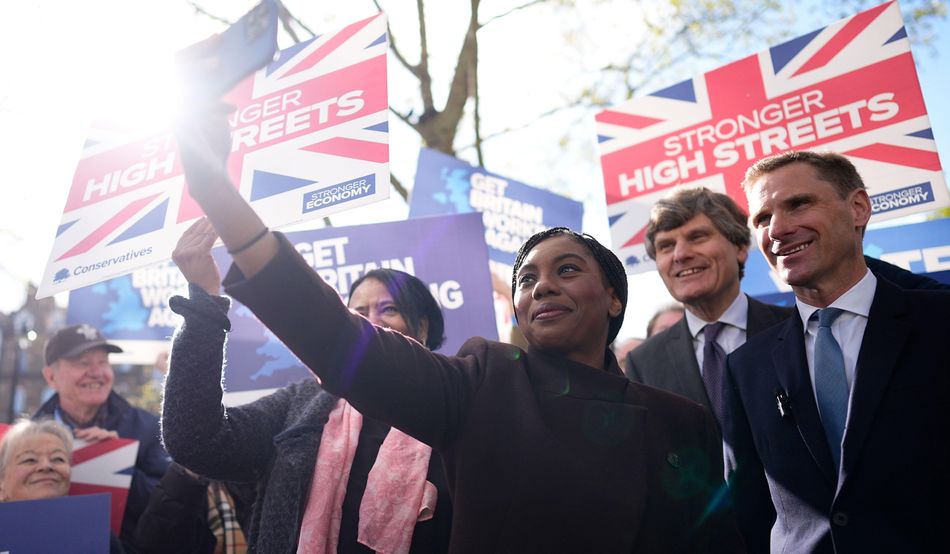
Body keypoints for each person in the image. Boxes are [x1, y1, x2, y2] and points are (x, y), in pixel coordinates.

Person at [171, 102, 744, 551]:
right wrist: (216, 193)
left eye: (568, 269)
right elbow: (331, 333)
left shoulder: (681, 422)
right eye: (527, 279)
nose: (543, 285)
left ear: (614, 298)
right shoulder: (483, 382)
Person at [161, 218, 453, 553]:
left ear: (424, 327)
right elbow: (196, 441)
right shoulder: (302, 403)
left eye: (390, 309)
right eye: (358, 311)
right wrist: (203, 305)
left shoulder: (458, 403)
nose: (372, 320)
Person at [724, 150, 950, 552]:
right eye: (762, 218)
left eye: (798, 204)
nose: (777, 229)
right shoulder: (746, 367)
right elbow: (751, 509)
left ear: (859, 208)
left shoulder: (938, 321)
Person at [625, 188, 793, 425]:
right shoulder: (643, 362)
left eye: (697, 237)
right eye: (666, 246)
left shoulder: (795, 327)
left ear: (740, 248)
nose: (680, 255)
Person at [34, 324, 170, 548]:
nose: (96, 372)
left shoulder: (150, 428)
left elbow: (174, 509)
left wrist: (119, 465)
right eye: (83, 363)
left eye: (103, 362)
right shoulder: (24, 440)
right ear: (50, 376)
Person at [0, 418, 125, 553]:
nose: (46, 466)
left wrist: (120, 460)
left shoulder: (97, 534)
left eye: (58, 458)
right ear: (1, 484)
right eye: (29, 459)